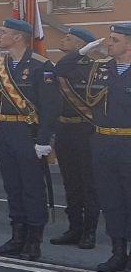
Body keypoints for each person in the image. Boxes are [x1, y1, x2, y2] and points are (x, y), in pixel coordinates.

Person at [0, 18, 60, 262]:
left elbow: (51, 106)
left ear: (18, 37)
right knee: (13, 188)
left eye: (3, 32)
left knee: (32, 189)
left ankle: (33, 241)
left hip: (28, 135)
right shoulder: (0, 64)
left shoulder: (41, 65)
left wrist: (44, 139)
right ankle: (17, 237)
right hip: (4, 131)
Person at [55, 24, 131, 272]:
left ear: (129, 44)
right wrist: (81, 52)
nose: (108, 43)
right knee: (111, 200)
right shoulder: (99, 68)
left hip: (128, 143)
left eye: (114, 39)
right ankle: (118, 252)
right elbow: (62, 69)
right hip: (102, 143)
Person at [50, 26, 100, 249]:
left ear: (81, 45)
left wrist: (80, 56)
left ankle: (89, 231)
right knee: (71, 184)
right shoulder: (63, 65)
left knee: (88, 184)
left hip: (85, 131)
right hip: (65, 131)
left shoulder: (93, 67)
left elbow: (62, 68)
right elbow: (59, 69)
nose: (63, 39)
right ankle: (74, 228)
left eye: (68, 38)